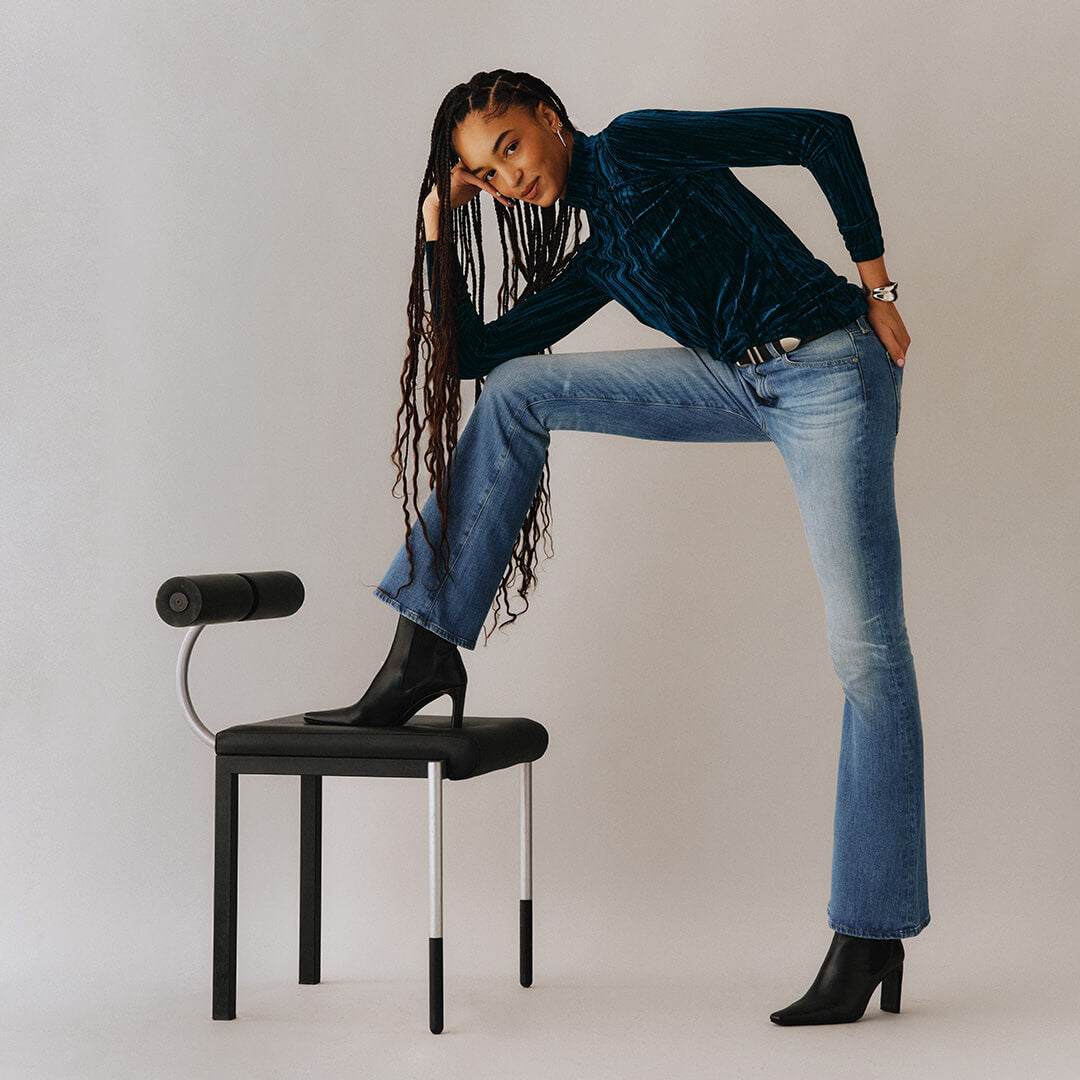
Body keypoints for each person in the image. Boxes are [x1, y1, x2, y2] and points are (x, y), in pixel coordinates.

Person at [304, 69, 929, 1026]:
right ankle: (427, 641)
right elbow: (475, 357)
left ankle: (871, 929)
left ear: (550, 121)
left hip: (832, 370)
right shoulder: (602, 264)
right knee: (519, 389)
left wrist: (879, 284)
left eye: (510, 146)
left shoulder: (637, 144)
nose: (508, 179)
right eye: (486, 172)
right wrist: (437, 229)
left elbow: (820, 133)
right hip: (733, 382)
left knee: (866, 654)